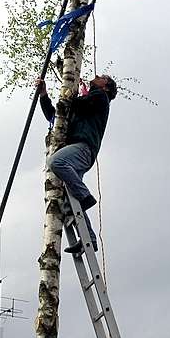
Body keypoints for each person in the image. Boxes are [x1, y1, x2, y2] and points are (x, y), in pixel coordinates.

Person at [37, 74, 118, 254]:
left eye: (102, 77)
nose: (97, 76)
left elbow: (75, 103)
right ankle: (89, 239)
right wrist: (44, 95)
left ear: (106, 86)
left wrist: (69, 93)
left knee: (55, 161)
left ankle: (85, 196)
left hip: (83, 148)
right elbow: (54, 116)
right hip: (77, 151)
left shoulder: (100, 97)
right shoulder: (86, 102)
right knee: (70, 201)